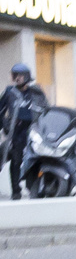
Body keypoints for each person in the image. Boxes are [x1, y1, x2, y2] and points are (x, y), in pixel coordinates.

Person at [0, 64, 47, 199]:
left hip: (34, 131)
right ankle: (16, 191)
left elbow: (46, 109)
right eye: (15, 75)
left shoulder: (36, 92)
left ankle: (36, 188)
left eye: (19, 75)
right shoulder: (10, 92)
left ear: (26, 76)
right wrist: (6, 124)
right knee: (16, 160)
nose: (17, 78)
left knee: (37, 159)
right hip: (16, 133)